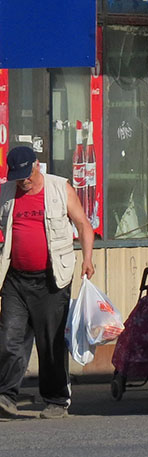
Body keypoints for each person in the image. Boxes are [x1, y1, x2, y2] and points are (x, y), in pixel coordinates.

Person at [0, 146, 95, 419]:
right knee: (9, 338)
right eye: (17, 177)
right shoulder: (7, 193)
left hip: (52, 279)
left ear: (37, 165)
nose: (23, 181)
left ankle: (55, 400)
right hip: (15, 279)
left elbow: (83, 224)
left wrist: (87, 259)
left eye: (26, 175)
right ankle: (6, 396)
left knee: (50, 342)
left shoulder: (58, 188)